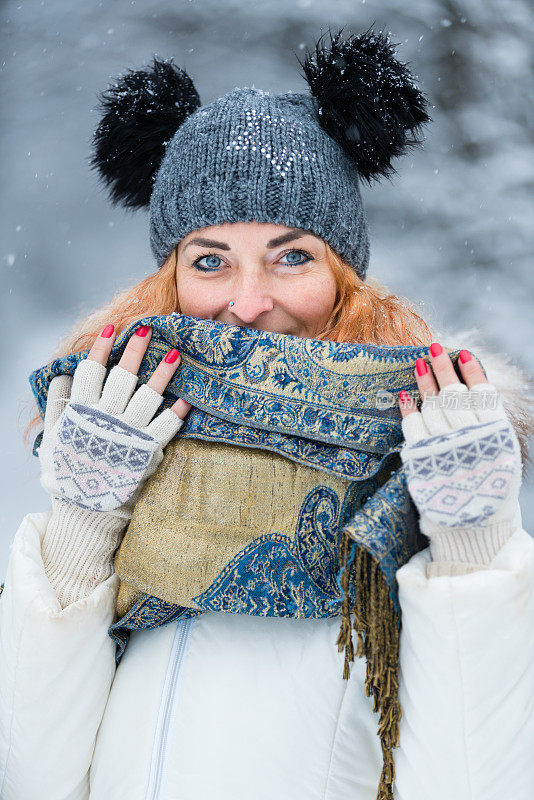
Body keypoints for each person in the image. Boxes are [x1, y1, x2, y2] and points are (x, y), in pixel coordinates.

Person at [1, 27, 533, 800]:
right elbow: (34, 778)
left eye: (292, 257)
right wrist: (84, 521)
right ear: (170, 279)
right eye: (210, 260)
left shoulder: (423, 460)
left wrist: (472, 546)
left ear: (347, 277)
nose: (247, 304)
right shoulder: (117, 448)